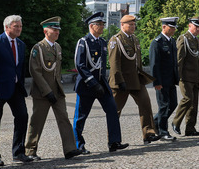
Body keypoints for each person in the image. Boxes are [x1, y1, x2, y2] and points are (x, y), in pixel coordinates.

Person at [25, 17, 83, 160]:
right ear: (46, 31)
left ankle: (70, 149)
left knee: (64, 118)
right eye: (54, 29)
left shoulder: (57, 47)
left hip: (57, 91)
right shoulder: (38, 48)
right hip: (42, 93)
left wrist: (57, 89)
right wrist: (47, 91)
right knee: (37, 121)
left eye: (58, 30)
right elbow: (35, 71)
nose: (57, 32)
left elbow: (56, 71)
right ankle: (30, 151)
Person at [72, 12, 129, 154]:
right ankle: (78, 145)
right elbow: (80, 65)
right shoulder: (83, 42)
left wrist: (100, 83)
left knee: (112, 110)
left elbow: (102, 65)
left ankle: (114, 142)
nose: (103, 27)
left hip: (101, 83)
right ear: (92, 26)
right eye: (100, 24)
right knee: (80, 116)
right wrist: (92, 83)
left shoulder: (103, 42)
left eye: (103, 24)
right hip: (87, 84)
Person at [0, 14, 31, 165]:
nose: (19, 29)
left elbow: (20, 68)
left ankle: (18, 152)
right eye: (16, 26)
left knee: (23, 117)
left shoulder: (21, 44)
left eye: (20, 26)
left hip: (15, 88)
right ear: (7, 27)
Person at [107, 14, 159, 144]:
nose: (133, 27)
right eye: (130, 24)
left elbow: (137, 61)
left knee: (145, 104)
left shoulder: (134, 39)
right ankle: (113, 140)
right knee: (115, 111)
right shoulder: (115, 40)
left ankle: (148, 134)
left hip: (135, 79)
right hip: (121, 82)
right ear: (122, 25)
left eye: (134, 24)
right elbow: (114, 64)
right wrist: (119, 81)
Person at [172, 18, 199, 136]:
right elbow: (179, 59)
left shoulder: (196, 40)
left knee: (194, 103)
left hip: (195, 76)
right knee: (187, 99)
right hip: (185, 76)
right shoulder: (184, 39)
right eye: (195, 27)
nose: (198, 29)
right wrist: (178, 75)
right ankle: (175, 122)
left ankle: (190, 128)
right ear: (189, 26)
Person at [149, 17, 180, 142]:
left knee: (173, 104)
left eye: (174, 28)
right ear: (163, 27)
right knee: (163, 106)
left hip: (171, 80)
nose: (173, 30)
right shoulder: (157, 42)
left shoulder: (172, 41)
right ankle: (162, 132)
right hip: (162, 80)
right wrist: (156, 82)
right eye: (171, 27)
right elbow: (154, 64)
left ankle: (155, 122)